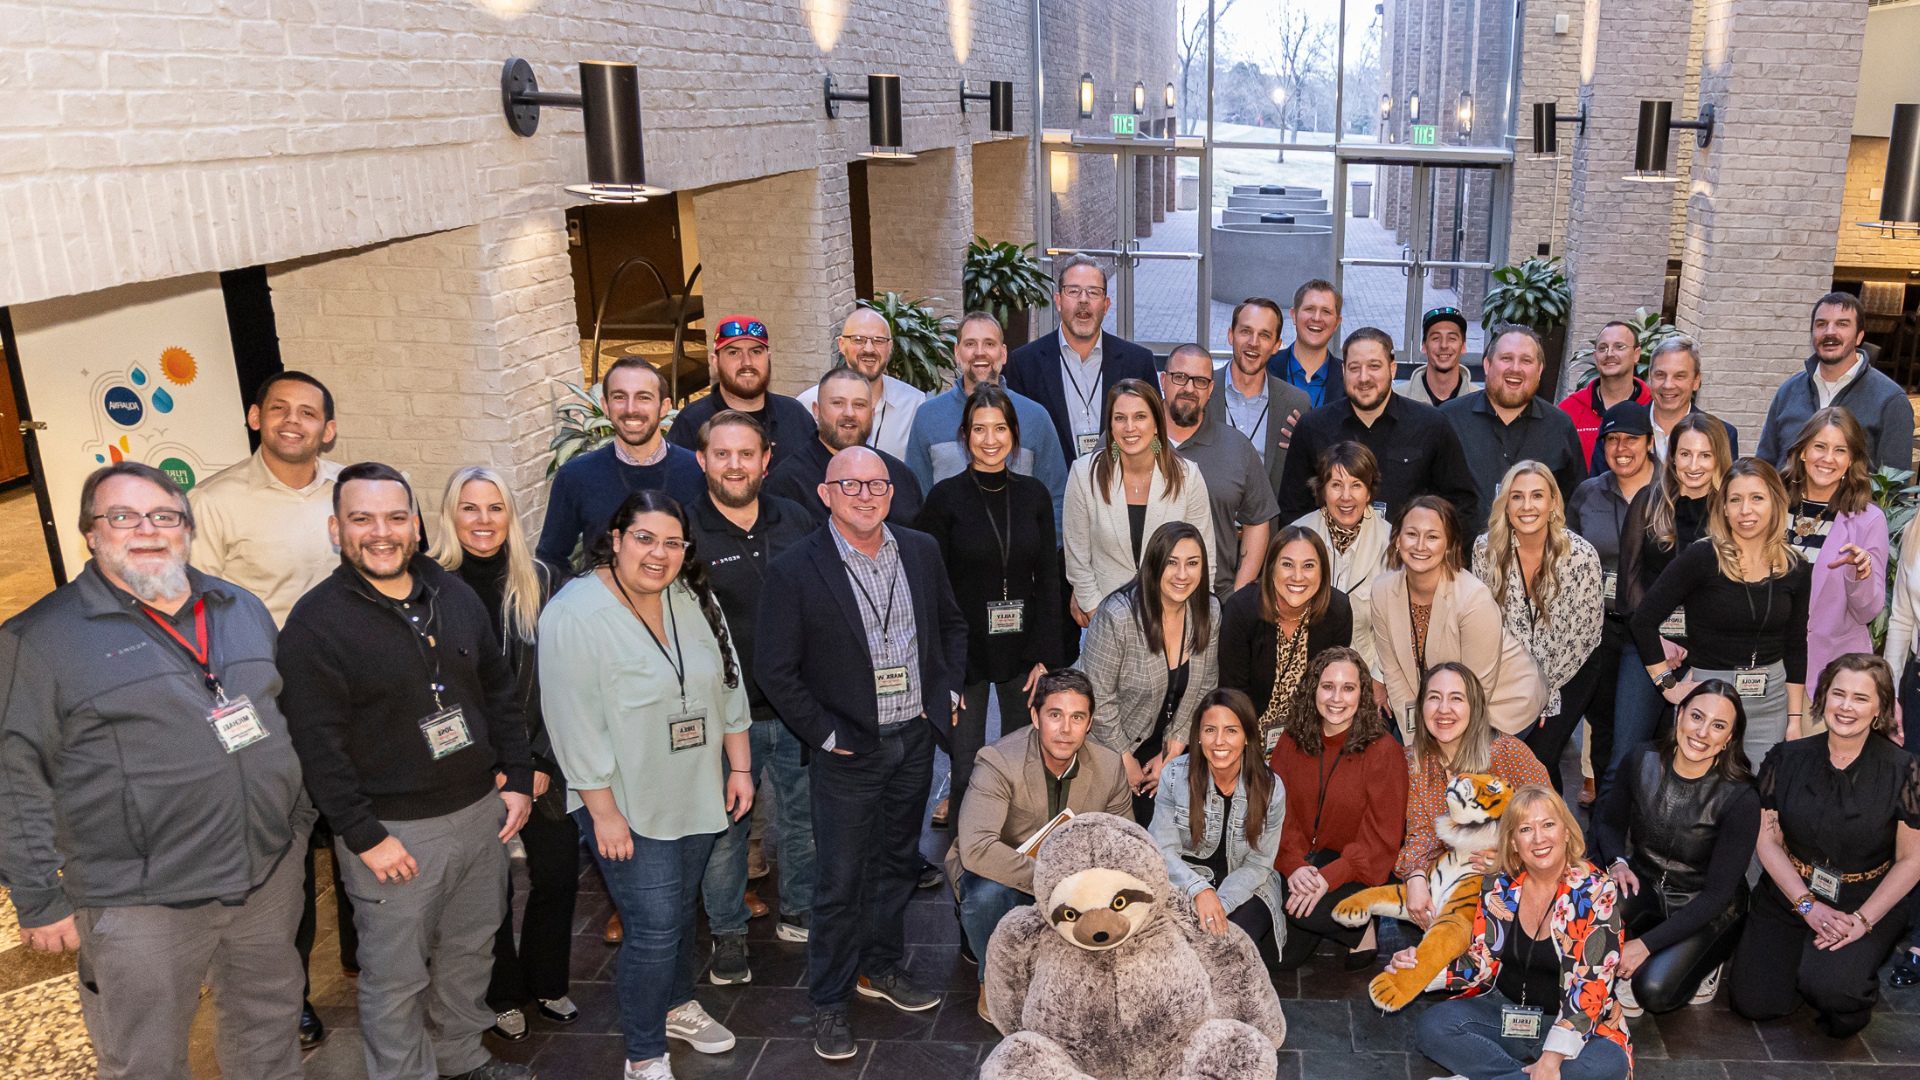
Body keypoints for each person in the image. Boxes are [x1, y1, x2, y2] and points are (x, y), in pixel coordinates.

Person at [0, 462, 313, 1080]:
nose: (146, 529)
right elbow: (14, 774)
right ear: (90, 533)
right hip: (141, 902)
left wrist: (296, 822)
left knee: (268, 1037)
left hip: (266, 879)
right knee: (146, 1061)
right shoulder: (39, 639)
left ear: (186, 529)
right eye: (121, 516)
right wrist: (38, 897)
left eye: (163, 515)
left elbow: (283, 717)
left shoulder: (240, 608)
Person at [278, 462, 535, 1080]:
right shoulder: (315, 625)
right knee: (395, 978)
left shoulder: (453, 594)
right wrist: (364, 835)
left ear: (417, 526)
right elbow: (317, 747)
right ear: (336, 529)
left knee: (470, 953)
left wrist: (520, 776)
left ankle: (461, 1056)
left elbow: (498, 690)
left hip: (481, 816)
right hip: (394, 835)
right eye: (361, 519)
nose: (381, 532)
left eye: (396, 517)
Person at [753, 446, 969, 1062]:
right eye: (850, 485)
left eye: (876, 485)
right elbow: (774, 666)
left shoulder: (920, 552)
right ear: (826, 494)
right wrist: (824, 733)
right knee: (841, 880)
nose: (865, 495)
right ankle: (827, 1002)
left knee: (899, 864)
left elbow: (951, 627)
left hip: (914, 741)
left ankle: (880, 968)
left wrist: (944, 692)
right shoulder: (797, 568)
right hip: (848, 750)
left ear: (891, 493)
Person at [538, 490, 754, 1080]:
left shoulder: (688, 595)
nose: (658, 555)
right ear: (614, 538)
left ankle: (677, 1005)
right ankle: (642, 1054)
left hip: (695, 784)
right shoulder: (574, 614)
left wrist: (738, 766)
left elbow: (726, 680)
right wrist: (603, 813)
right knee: (654, 926)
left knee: (680, 911)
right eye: (644, 538)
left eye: (673, 543)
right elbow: (571, 722)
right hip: (624, 800)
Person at [186, 368, 347, 1045]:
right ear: (256, 417)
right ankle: (291, 996)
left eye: (307, 413)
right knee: (283, 861)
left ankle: (374, 962)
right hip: (269, 709)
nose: (292, 421)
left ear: (327, 428)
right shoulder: (214, 501)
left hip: (349, 699)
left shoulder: (351, 488)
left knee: (356, 837)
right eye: (278, 409)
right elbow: (196, 615)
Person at [433, 466, 578, 1040]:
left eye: (495, 508)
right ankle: (502, 992)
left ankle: (547, 980)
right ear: (450, 516)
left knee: (559, 875)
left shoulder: (545, 580)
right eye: (470, 508)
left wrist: (537, 761)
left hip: (544, 761)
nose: (483, 520)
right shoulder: (430, 586)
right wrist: (493, 767)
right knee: (485, 886)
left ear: (511, 516)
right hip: (471, 770)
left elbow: (567, 679)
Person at [686, 410, 819, 982]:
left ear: (766, 460)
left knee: (802, 818)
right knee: (725, 831)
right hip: (722, 718)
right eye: (722, 454)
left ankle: (800, 911)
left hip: (796, 708)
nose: (734, 465)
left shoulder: (797, 519)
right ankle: (729, 933)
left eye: (746, 454)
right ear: (702, 460)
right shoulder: (683, 531)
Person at [1731, 654, 1920, 1038]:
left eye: (1861, 698)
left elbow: (1911, 860)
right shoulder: (1785, 758)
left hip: (1863, 899)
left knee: (1835, 993)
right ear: (1822, 697)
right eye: (1839, 694)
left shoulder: (1904, 770)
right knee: (1754, 1002)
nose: (1846, 707)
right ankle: (1804, 961)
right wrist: (1806, 905)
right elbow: (1767, 839)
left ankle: (1834, 975)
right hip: (1792, 890)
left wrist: (1863, 921)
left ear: (1880, 708)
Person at [944, 668, 1133, 1021]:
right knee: (985, 895)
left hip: (1074, 883)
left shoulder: (1109, 766)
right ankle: (992, 976)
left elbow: (1124, 842)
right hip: (1004, 873)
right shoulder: (998, 760)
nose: (1065, 729)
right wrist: (1054, 880)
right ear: (1035, 716)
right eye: (1055, 715)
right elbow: (978, 849)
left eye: (1077, 717)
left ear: (1090, 722)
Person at [1409, 785, 1632, 1080]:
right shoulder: (1499, 886)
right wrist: (1419, 966)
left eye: (1548, 825)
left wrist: (1552, 1059)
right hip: (1507, 1012)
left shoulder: (1596, 891)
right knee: (1434, 1027)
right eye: (1525, 829)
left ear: (1567, 832)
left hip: (1577, 1025)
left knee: (1606, 1064)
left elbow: (1591, 985)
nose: (1539, 838)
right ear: (1513, 842)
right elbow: (1478, 962)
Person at [917, 383, 1063, 822]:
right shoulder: (944, 500)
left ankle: (1019, 851)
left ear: (1014, 434)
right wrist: (944, 665)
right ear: (965, 436)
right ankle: (967, 856)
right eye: (979, 429)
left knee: (1024, 763)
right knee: (966, 768)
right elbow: (932, 588)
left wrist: (1045, 658)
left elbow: (1049, 580)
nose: (990, 439)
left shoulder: (1034, 495)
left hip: (1023, 649)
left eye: (1000, 428)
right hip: (966, 653)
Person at [1592, 681, 1759, 1016]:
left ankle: (1706, 959)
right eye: (1696, 716)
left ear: (1729, 739)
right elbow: (1608, 823)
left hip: (1707, 906)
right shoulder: (1642, 759)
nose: (1702, 732)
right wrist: (1617, 863)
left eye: (1718, 726)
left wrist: (1644, 946)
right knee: (1596, 904)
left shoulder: (1741, 797)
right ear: (1679, 715)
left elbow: (1716, 896)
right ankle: (1657, 939)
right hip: (1646, 885)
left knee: (1653, 993)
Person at [1632, 458, 1811, 767]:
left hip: (1770, 703)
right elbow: (1643, 620)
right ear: (1724, 508)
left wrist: (1794, 720)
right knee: (1703, 800)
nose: (1746, 510)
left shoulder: (1795, 566)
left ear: (1775, 503)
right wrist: (1668, 686)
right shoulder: (1702, 557)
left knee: (1758, 798)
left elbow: (1795, 644)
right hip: (1709, 698)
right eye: (1735, 500)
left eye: (1757, 498)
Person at [1603, 412, 1732, 803]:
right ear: (1671, 457)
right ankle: (1605, 852)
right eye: (1685, 454)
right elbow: (1628, 584)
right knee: (1625, 757)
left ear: (1719, 459)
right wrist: (1658, 638)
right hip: (1645, 647)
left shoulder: (1731, 512)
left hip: (1706, 653)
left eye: (1704, 456)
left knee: (1687, 765)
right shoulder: (1649, 501)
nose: (1693, 466)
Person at [1268, 647, 1408, 970]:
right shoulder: (1292, 740)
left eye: (1348, 688)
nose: (1337, 698)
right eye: (1328, 686)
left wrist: (1326, 879)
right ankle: (1341, 928)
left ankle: (1360, 930)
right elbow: (1275, 812)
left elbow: (1382, 841)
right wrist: (1293, 865)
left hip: (1355, 868)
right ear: (1313, 688)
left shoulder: (1384, 752)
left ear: (1362, 694)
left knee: (1306, 912)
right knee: (1278, 955)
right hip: (1300, 859)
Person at [1471, 460, 1606, 789]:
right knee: (1507, 760)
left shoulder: (1581, 556)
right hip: (1507, 675)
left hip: (1569, 672)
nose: (1527, 506)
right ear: (1506, 503)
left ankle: (1551, 836)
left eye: (1537, 496)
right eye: (1517, 497)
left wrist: (1542, 693)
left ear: (1553, 503)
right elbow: (1484, 627)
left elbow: (1583, 637)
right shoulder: (1485, 550)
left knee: (1539, 757)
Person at [1371, 495, 1548, 740]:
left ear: (1449, 545)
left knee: (1467, 777)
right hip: (1437, 705)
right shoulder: (1382, 590)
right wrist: (1415, 743)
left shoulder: (1473, 599)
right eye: (1411, 534)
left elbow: (1476, 689)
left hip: (1500, 702)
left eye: (1432, 537)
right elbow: (1394, 673)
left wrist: (1442, 748)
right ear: (1397, 540)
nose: (1420, 545)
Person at [1079, 521, 1221, 824]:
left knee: (1180, 823)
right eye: (1172, 563)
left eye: (1192, 563)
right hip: (1110, 741)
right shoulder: (1118, 615)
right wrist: (1124, 759)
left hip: (1168, 739)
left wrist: (1173, 752)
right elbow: (1097, 696)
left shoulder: (1208, 611)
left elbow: (1204, 687)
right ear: (1153, 565)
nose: (1182, 575)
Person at [1393, 664, 1552, 928]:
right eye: (1434, 697)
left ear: (1475, 707)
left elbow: (1550, 823)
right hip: (1454, 881)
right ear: (1421, 707)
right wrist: (1415, 876)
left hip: (1517, 877)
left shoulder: (1507, 753)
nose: (1444, 709)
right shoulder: (1414, 761)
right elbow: (1421, 832)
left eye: (1456, 698)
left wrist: (1508, 856)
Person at [1276, 327, 1478, 524]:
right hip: (1331, 555)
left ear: (1392, 368)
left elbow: (1461, 503)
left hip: (1408, 556)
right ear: (1343, 371)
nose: (1364, 378)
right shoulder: (1313, 427)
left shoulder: (1431, 426)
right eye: (1355, 368)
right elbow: (1293, 509)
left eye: (1374, 366)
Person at [1152, 688, 1287, 967]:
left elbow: (1260, 864)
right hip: (1184, 883)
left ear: (1248, 736)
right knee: (1169, 953)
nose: (1219, 741)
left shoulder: (1270, 788)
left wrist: (1219, 904)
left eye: (1231, 730)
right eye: (1210, 730)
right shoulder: (1175, 775)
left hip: (1248, 885)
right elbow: (1162, 851)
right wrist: (1199, 890)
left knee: (1227, 948)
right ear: (1198, 737)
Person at [1062, 378, 1214, 626]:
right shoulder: (1083, 474)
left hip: (1171, 622)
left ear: (1157, 423)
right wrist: (1100, 618)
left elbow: (1204, 557)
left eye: (1140, 416)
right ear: (1110, 426)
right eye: (1120, 418)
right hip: (1103, 620)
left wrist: (1185, 620)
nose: (1129, 427)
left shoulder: (1188, 476)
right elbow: (1077, 560)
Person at [1567, 402, 1658, 801]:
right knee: (1601, 727)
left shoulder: (1670, 493)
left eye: (1631, 439)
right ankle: (1605, 817)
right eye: (1612, 439)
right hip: (1598, 629)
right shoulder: (1589, 493)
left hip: (1649, 634)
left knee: (1634, 734)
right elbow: (1565, 558)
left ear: (1651, 443)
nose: (1621, 448)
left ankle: (1633, 814)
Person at [538, 357, 705, 570]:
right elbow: (551, 559)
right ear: (605, 406)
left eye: (643, 397)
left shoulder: (697, 472)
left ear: (664, 407)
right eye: (619, 397)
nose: (630, 409)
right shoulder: (576, 476)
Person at [903, 310, 1068, 524]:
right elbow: (917, 500)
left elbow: (1057, 499)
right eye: (970, 344)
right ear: (957, 352)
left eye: (989, 344)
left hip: (1020, 555)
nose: (980, 352)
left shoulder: (1035, 417)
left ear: (1004, 353)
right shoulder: (928, 417)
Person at [1003, 254, 1157, 463]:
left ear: (1106, 304)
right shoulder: (1023, 363)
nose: (1083, 300)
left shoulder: (1139, 362)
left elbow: (1155, 435)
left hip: (1121, 489)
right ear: (1058, 301)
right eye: (1073, 291)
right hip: (1054, 490)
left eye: (1093, 292)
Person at [1163, 342, 1283, 597]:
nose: (1189, 389)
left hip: (1214, 602)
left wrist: (1238, 595)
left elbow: (1259, 520)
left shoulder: (1237, 447)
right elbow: (1093, 499)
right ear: (1163, 380)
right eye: (1180, 377)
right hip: (1137, 600)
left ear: (1211, 389)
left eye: (1200, 381)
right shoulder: (1129, 437)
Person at [1440, 325, 1587, 532]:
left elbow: (1575, 506)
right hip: (1462, 560)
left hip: (1539, 561)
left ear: (1539, 370)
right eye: (1506, 358)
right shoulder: (1448, 420)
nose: (1515, 368)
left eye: (1526, 360)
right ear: (1487, 364)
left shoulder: (1560, 427)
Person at [1779, 407, 1888, 684]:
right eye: (1820, 447)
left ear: (1851, 459)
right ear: (1803, 451)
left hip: (1832, 673)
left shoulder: (1868, 520)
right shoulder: (1772, 503)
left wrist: (1859, 574)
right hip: (1771, 665)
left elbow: (1868, 611)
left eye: (1840, 450)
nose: (1828, 458)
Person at [1758, 291, 1916, 472]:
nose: (1830, 332)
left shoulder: (1890, 400)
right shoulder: (1789, 391)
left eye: (1842, 324)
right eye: (1821, 324)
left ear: (1859, 336)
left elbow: (1895, 487)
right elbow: (1765, 466)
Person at [1218, 526, 1354, 726]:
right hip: (1249, 730)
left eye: (1308, 566)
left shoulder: (1337, 610)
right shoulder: (1241, 609)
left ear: (1322, 572)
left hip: (1311, 731)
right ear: (1271, 568)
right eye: (1287, 565)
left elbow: (1333, 689)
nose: (1297, 576)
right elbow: (1233, 694)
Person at [766, 366, 925, 527]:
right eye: (838, 403)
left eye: (859, 405)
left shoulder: (899, 476)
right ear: (816, 411)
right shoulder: (786, 484)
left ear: (871, 414)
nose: (849, 413)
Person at [1291, 441, 1393, 678]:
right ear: (1322, 489)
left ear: (1369, 491)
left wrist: (1379, 679)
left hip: (1368, 673)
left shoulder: (1390, 542)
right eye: (1336, 485)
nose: (1346, 497)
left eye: (1356, 485)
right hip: (1305, 671)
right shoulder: (1297, 536)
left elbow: (1397, 626)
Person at [664, 315, 817, 468]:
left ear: (768, 358)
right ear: (715, 362)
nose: (747, 362)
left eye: (756, 352)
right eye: (733, 353)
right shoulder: (692, 422)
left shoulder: (795, 415)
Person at [1207, 296, 1313, 493]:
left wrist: (1306, 444)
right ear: (1231, 335)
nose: (1253, 342)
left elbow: (1308, 476)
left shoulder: (1295, 403)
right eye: (1245, 331)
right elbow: (1159, 444)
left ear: (1276, 345)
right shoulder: (1201, 391)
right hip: (1207, 521)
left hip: (1270, 523)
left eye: (1264, 335)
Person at [794, 306, 927, 459]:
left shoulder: (914, 405)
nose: (869, 349)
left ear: (890, 347)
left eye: (879, 341)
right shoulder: (808, 403)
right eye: (858, 340)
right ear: (842, 345)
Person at [1558, 321, 1652, 466]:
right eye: (1602, 348)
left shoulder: (1653, 408)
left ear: (1636, 354)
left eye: (1619, 347)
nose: (1609, 353)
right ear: (1595, 356)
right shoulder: (1570, 410)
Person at [1644, 337, 1741, 465]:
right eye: (1660, 375)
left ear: (1696, 381)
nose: (1668, 385)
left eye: (1679, 376)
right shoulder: (1625, 426)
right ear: (1650, 378)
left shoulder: (1723, 434)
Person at [1270, 279, 1347, 407]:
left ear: (1337, 323)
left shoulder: (1349, 378)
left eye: (1326, 311)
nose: (1317, 318)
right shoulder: (1265, 368)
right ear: (1294, 315)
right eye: (1310, 309)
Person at [1397, 306, 1480, 406]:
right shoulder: (1397, 399)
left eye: (1452, 338)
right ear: (1424, 346)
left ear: (1463, 346)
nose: (1444, 345)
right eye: (1436, 338)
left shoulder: (1480, 402)